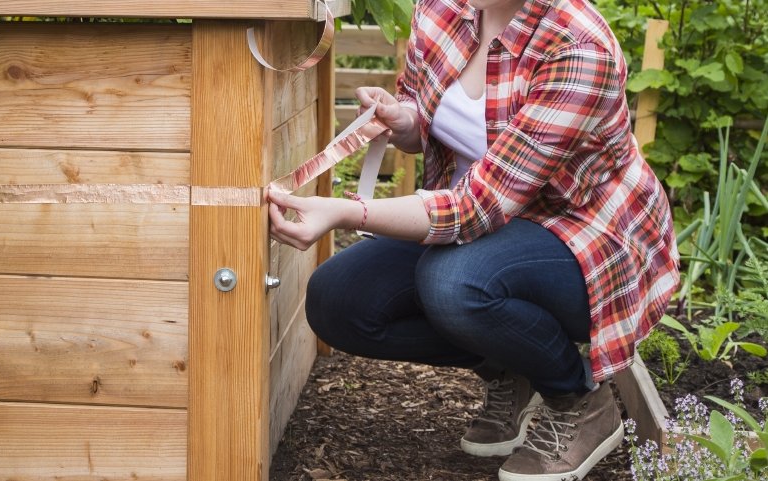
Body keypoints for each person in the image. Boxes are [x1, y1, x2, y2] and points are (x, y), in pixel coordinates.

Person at [268, 0, 680, 478]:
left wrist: (345, 212)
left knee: (452, 282)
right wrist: (406, 120)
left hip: (584, 235)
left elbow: (479, 207)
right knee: (338, 302)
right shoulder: (442, 9)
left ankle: (578, 400)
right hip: (479, 219)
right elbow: (436, 119)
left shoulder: (578, 45)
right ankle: (514, 362)